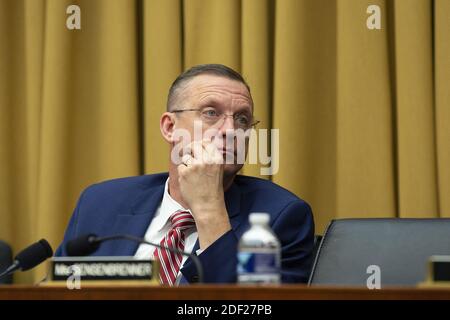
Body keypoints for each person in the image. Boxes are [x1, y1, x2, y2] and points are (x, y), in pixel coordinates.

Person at [55, 64, 314, 285]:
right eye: (211, 113)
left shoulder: (281, 218)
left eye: (243, 119)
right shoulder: (101, 202)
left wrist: (209, 209)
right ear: (170, 127)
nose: (230, 130)